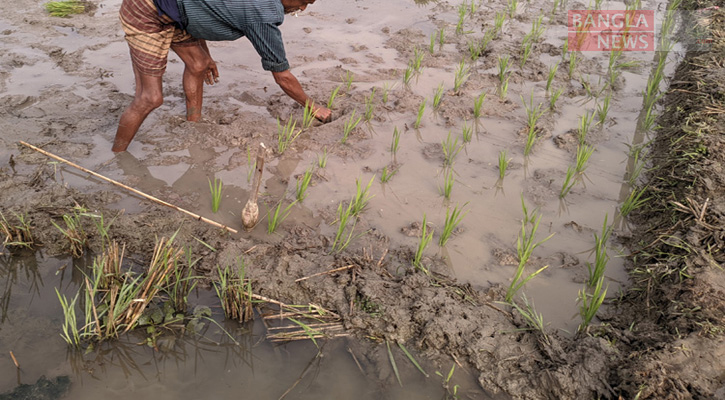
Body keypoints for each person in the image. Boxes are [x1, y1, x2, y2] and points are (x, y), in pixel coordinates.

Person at [112, 0, 331, 153]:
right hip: (146, 10)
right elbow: (281, 74)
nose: (301, 8)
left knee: (198, 64)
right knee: (150, 98)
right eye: (304, 2)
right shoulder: (263, 14)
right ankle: (118, 156)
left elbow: (204, 10)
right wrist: (312, 106)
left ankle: (193, 124)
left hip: (176, 12)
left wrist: (206, 56)